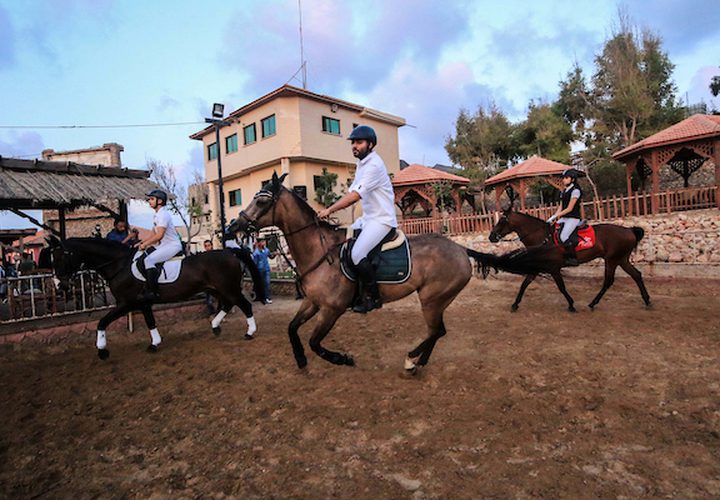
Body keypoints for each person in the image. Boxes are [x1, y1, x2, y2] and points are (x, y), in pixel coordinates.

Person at [317, 125, 397, 313]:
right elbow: (351, 192)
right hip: (367, 219)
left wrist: (329, 210)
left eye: (359, 142)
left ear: (370, 144)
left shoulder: (374, 165)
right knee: (342, 242)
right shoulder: (362, 165)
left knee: (357, 254)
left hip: (382, 220)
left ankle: (373, 296)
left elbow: (354, 196)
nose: (354, 146)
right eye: (353, 142)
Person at [135, 189, 182, 300]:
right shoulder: (157, 215)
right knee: (143, 257)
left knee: (149, 260)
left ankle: (152, 292)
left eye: (152, 199)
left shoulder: (163, 215)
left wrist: (145, 245)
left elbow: (159, 235)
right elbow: (152, 234)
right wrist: (140, 243)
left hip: (172, 245)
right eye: (149, 199)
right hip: (164, 245)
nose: (149, 201)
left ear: (160, 201)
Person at [547, 168, 582, 266]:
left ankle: (572, 258)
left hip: (573, 218)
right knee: (551, 230)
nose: (564, 180)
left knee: (563, 236)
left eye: (566, 178)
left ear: (573, 179)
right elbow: (561, 207)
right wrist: (554, 217)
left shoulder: (576, 191)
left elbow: (570, 208)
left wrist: (557, 215)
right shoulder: (564, 191)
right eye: (563, 178)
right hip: (565, 217)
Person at [252, 236, 274, 304]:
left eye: (264, 241)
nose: (264, 243)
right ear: (258, 243)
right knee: (262, 284)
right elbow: (255, 263)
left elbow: (270, 256)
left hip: (266, 269)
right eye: (262, 242)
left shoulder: (266, 250)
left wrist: (274, 254)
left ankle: (267, 297)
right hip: (260, 270)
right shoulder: (256, 253)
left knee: (267, 283)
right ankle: (263, 297)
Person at [202, 239, 217, 314]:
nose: (207, 247)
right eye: (206, 246)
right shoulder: (204, 256)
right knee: (209, 298)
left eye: (208, 245)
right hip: (208, 281)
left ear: (211, 246)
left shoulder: (215, 255)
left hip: (216, 280)